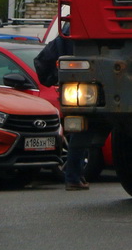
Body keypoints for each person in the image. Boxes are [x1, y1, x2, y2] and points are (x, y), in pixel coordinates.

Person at [34, 21, 94, 191]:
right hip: (82, 87)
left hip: (72, 88)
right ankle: (74, 176)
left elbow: (49, 56)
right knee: (80, 132)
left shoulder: (69, 28)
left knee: (78, 130)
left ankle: (76, 175)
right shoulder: (76, 27)